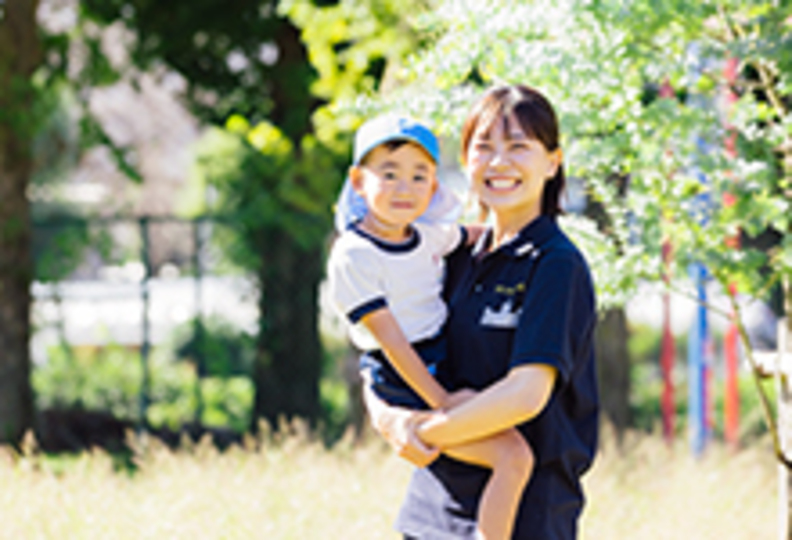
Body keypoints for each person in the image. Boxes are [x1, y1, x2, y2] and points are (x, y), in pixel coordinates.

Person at [363, 85, 599, 540]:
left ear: (553, 162)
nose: (498, 162)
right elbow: (381, 347)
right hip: (431, 516)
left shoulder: (555, 265)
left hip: (528, 518)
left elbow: (524, 395)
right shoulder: (447, 253)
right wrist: (387, 417)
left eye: (518, 147)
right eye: (483, 146)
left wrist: (424, 431)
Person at [327, 113, 535, 540]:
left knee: (513, 453)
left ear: (435, 185)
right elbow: (392, 343)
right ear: (358, 180)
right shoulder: (354, 255)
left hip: (439, 364)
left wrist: (530, 238)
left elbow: (475, 235)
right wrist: (441, 401)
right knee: (512, 456)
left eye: (419, 176)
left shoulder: (424, 236)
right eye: (389, 173)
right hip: (405, 379)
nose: (406, 188)